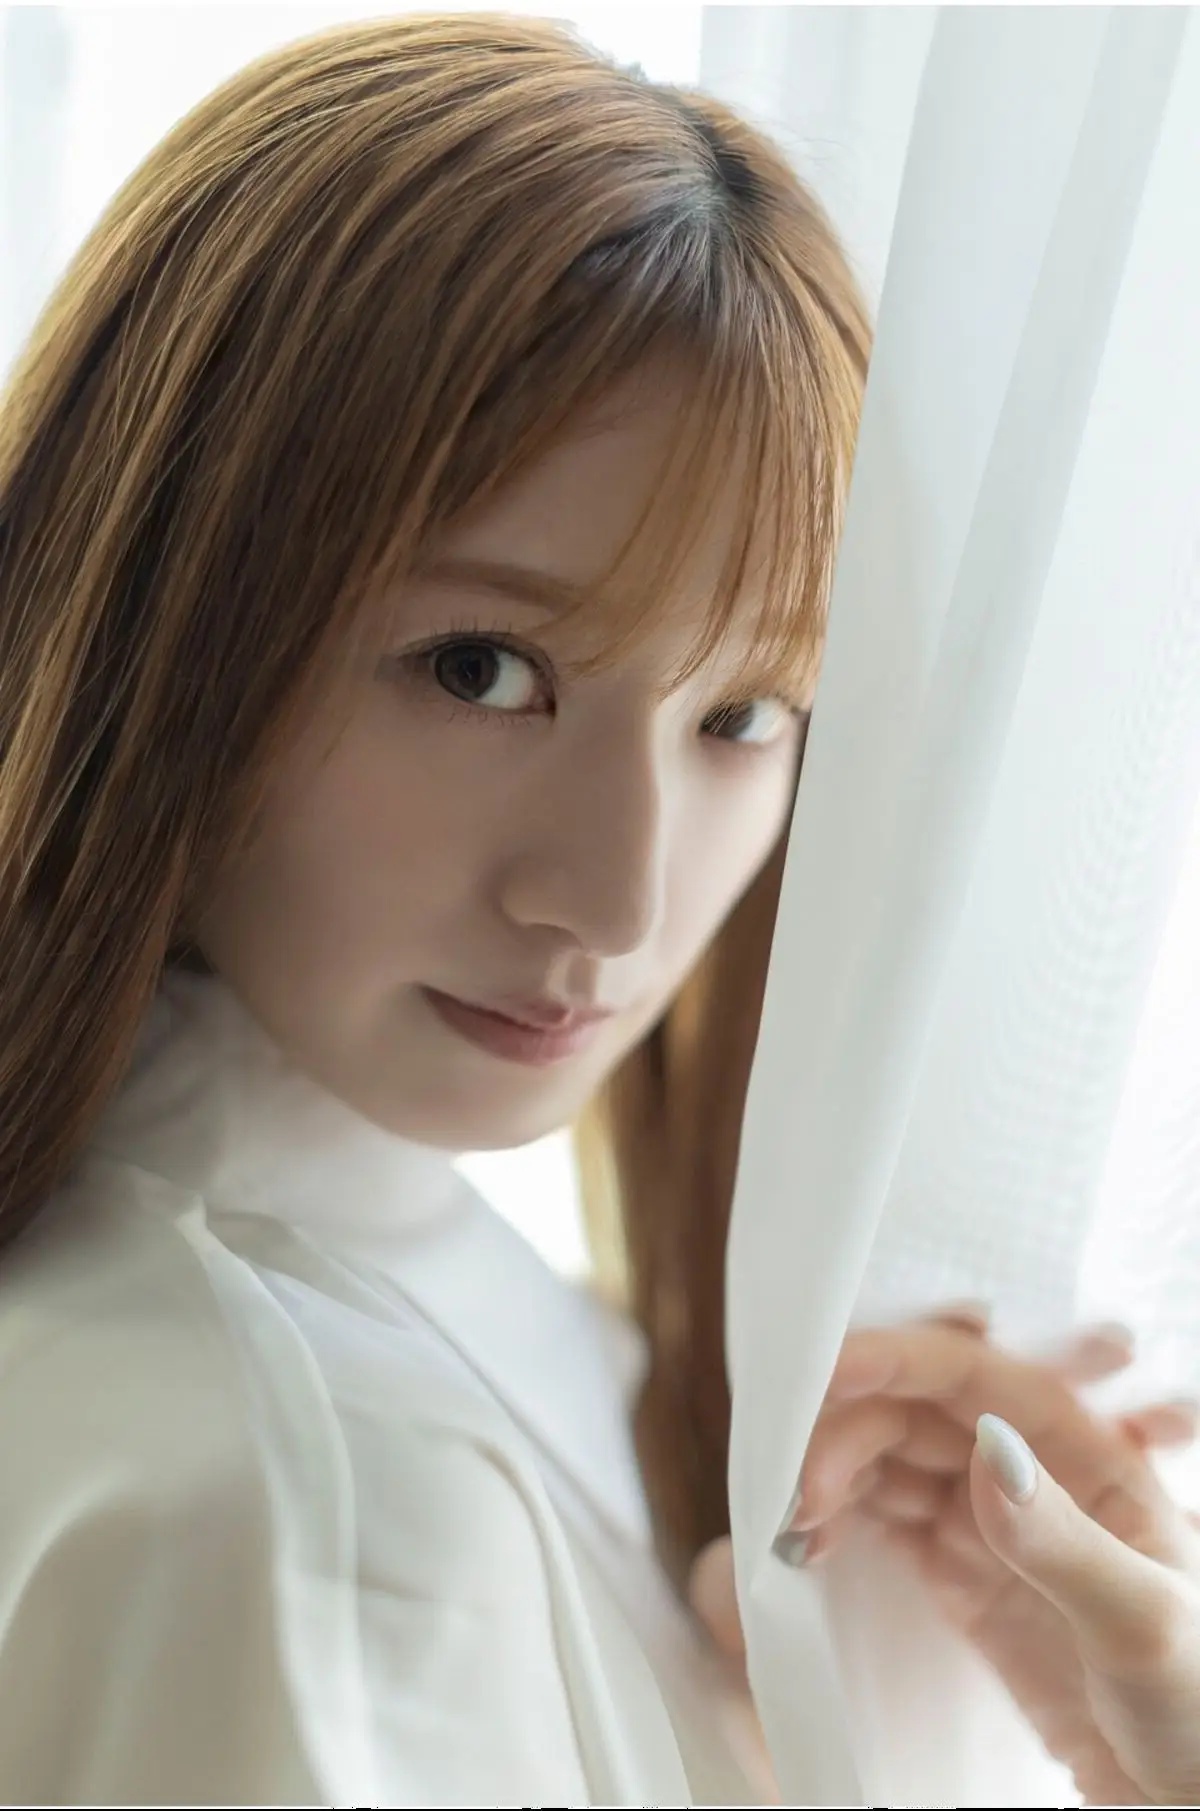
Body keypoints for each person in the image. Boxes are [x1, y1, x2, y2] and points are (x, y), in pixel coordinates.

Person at [0, 13, 1196, 1808]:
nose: (623, 899)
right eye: (480, 669)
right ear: (168, 613)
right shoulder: (315, 1504)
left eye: (747, 713)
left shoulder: (441, 1344)